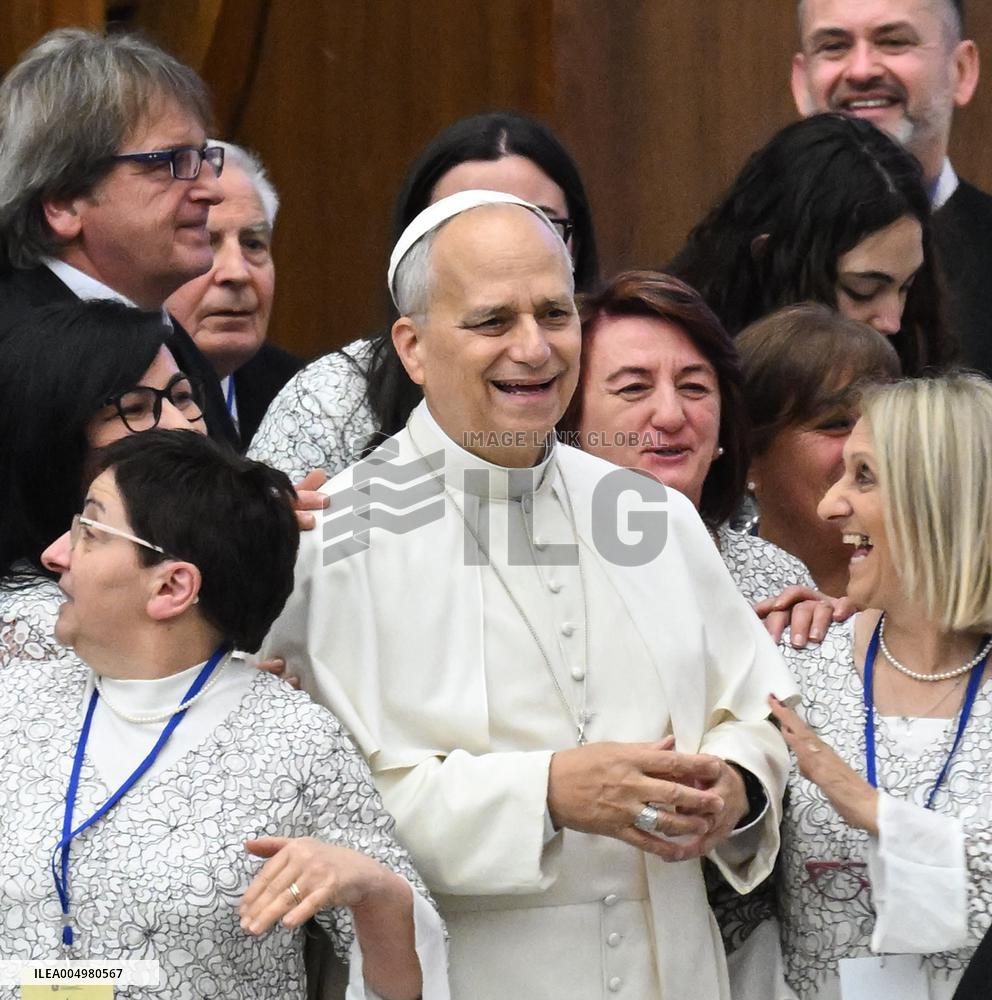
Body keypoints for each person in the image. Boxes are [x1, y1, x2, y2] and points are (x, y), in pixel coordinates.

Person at [261, 189, 798, 999]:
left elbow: (756, 712)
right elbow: (321, 812)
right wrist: (545, 793)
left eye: (554, 313)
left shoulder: (649, 514)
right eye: (492, 321)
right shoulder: (333, 539)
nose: (535, 348)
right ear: (413, 347)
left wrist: (735, 785)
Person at [0, 429, 448, 999]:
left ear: (172, 586)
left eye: (90, 532)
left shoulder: (295, 742)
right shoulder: (15, 703)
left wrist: (374, 890)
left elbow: (408, 986)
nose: (55, 554)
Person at [765, 373, 992, 999]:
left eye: (864, 476)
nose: (829, 505)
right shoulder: (800, 662)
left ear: (943, 496)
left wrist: (872, 811)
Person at [249, 110, 599, 481]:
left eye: (540, 221)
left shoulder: (624, 367)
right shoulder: (331, 399)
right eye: (466, 218)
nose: (511, 237)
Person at [0, 299, 320, 672]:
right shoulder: (31, 622)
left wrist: (264, 545)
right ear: (52, 444)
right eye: (135, 409)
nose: (181, 425)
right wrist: (221, 691)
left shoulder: (233, 541)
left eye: (182, 398)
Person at [0, 28, 238, 447]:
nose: (212, 191)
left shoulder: (163, 335)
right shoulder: (16, 358)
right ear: (64, 202)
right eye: (171, 162)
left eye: (204, 159)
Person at [560, 269, 814, 605]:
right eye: (634, 388)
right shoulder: (534, 574)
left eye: (694, 387)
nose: (671, 416)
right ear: (570, 417)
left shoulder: (778, 579)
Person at [792, 0, 992, 377]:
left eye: (894, 42)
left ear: (961, 70)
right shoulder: (730, 270)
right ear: (801, 82)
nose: (861, 70)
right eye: (834, 46)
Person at [669, 112, 949, 374]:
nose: (893, 322)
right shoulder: (678, 372)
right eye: (863, 290)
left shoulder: (912, 352)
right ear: (770, 260)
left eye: (906, 287)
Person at [737, 303, 901, 599]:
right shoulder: (711, 591)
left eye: (883, 420)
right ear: (749, 456)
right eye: (837, 424)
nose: (871, 445)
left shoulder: (945, 583)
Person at [165, 141, 303, 448]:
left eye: (253, 244)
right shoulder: (112, 397)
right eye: (205, 242)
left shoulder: (304, 396)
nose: (237, 273)